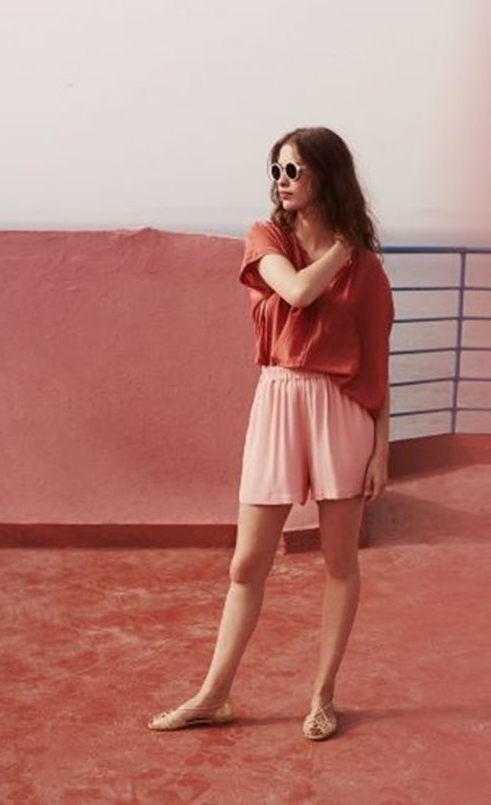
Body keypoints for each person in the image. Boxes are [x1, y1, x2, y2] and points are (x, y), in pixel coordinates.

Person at [148, 126, 395, 740]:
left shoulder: (367, 271)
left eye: (294, 170)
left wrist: (380, 449)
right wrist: (346, 246)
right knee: (247, 563)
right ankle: (214, 695)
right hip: (280, 399)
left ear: (325, 178)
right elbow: (298, 292)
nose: (282, 182)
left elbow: (377, 359)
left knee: (340, 562)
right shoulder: (268, 238)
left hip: (341, 408)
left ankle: (323, 697)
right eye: (277, 170)